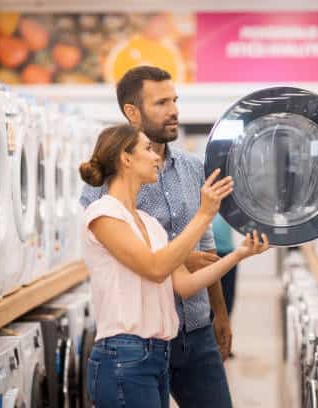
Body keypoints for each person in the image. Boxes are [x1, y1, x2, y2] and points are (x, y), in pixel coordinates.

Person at [79, 124, 269, 408]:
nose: (156, 157)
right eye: (147, 149)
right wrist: (204, 214)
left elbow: (184, 284)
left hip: (156, 355)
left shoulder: (151, 224)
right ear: (125, 158)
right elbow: (155, 269)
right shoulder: (102, 214)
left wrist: (239, 254)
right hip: (122, 357)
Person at [80, 66, 234, 407]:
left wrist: (219, 314)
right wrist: (179, 256)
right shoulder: (106, 187)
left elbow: (206, 247)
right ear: (132, 112)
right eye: (161, 102)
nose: (174, 110)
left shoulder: (193, 167)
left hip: (194, 328)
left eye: (175, 100)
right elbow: (128, 257)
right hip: (135, 338)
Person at [212, 215, 238, 321]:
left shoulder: (228, 202)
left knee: (227, 300)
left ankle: (225, 327)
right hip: (207, 253)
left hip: (227, 252)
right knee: (210, 300)